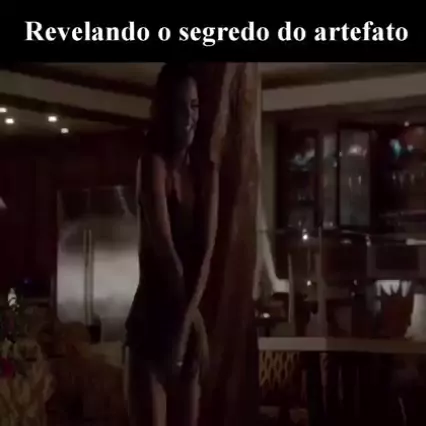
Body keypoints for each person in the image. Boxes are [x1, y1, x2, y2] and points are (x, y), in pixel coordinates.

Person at [125, 63, 219, 426]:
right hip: (151, 324)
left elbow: (205, 254)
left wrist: (188, 327)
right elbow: (166, 253)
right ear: (164, 111)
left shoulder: (206, 173)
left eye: (194, 106)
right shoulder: (152, 165)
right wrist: (191, 324)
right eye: (181, 107)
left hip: (186, 320)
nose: (190, 116)